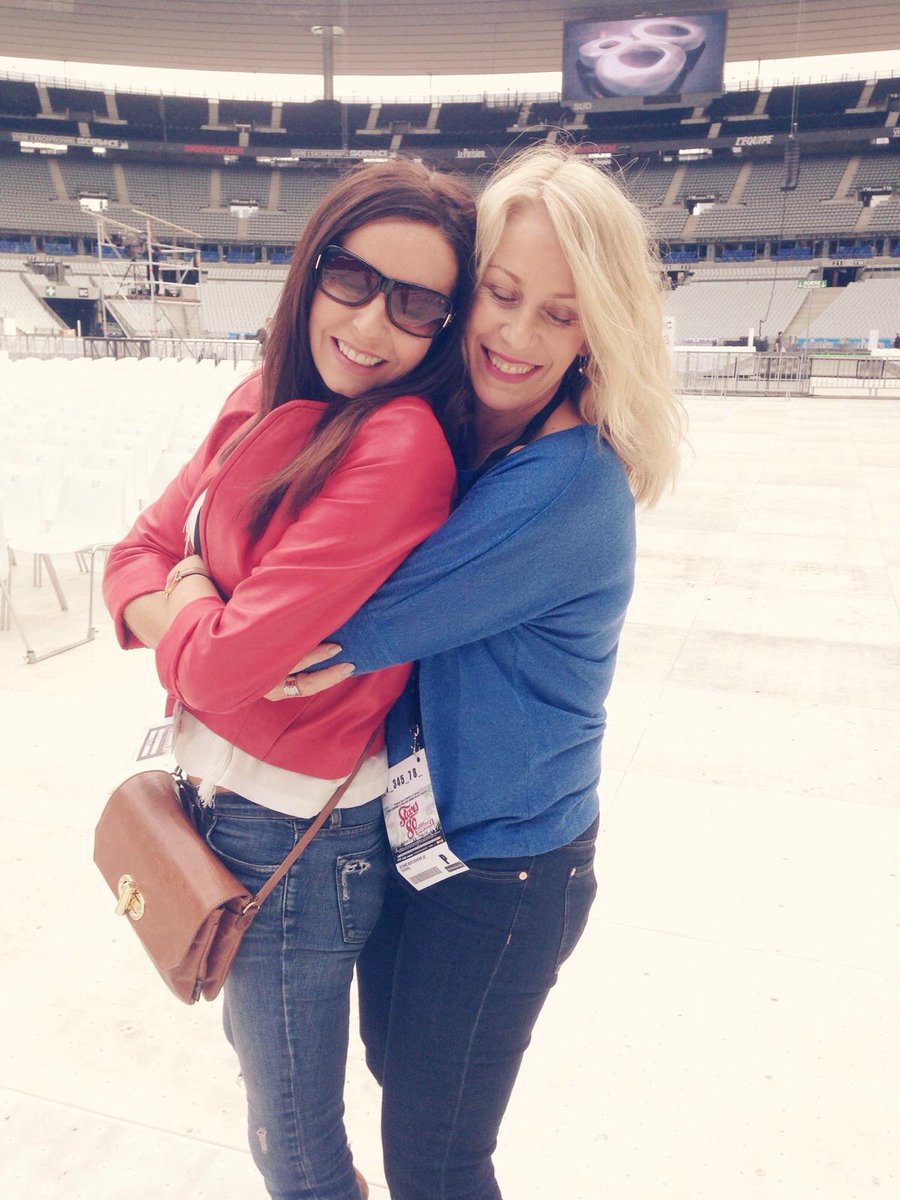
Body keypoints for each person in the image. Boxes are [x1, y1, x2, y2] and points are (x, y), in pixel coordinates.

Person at [273, 145, 685, 1199]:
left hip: (506, 872)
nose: (515, 335)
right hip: (417, 842)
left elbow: (322, 629)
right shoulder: (462, 433)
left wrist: (186, 578)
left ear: (601, 326)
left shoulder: (564, 485)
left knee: (440, 1157)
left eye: (561, 312)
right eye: (502, 295)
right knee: (397, 1078)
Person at [102, 158, 476, 1200]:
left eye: (415, 305)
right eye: (353, 279)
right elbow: (129, 553)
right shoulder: (260, 395)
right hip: (224, 806)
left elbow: (219, 669)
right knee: (275, 1109)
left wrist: (181, 590)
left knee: (295, 1142)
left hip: (296, 846)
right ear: (311, 269)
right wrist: (189, 596)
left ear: (442, 326)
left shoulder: (398, 445)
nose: (370, 326)